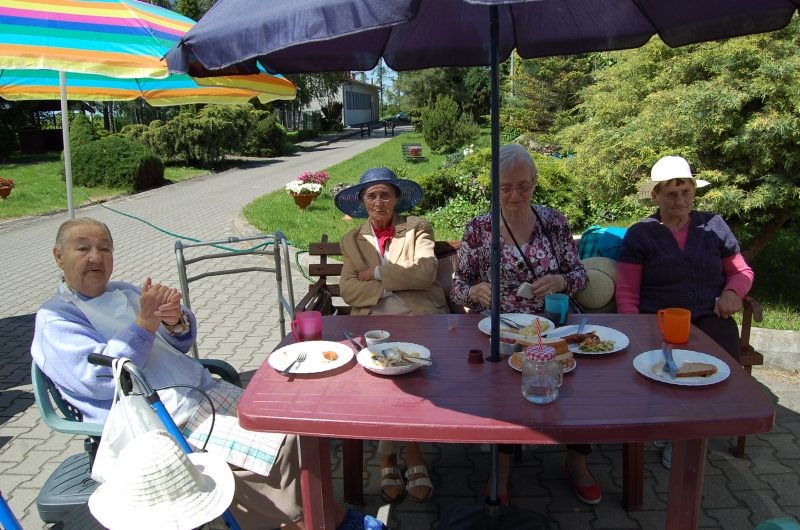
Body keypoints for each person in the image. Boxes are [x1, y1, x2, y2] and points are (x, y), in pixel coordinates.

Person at [31, 217, 385, 530]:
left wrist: (174, 319)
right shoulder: (57, 319)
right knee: (279, 448)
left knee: (291, 425)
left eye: (104, 248)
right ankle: (309, 521)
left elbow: (181, 341)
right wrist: (145, 322)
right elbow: (99, 380)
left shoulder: (123, 290)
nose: (96, 257)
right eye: (83, 248)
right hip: (156, 418)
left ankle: (320, 515)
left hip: (198, 391)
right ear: (59, 257)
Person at [450, 144, 600, 506]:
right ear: (493, 187)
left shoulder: (554, 222)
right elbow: (457, 287)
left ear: (535, 182)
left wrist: (561, 281)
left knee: (575, 381)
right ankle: (500, 466)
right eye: (505, 188)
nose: (515, 195)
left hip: (552, 322)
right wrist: (474, 291)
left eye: (523, 186)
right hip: (500, 327)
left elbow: (580, 275)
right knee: (501, 385)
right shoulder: (479, 228)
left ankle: (576, 461)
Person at [615, 155, 754, 468]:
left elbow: (741, 271)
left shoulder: (714, 226)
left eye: (686, 191)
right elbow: (627, 291)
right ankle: (671, 427)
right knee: (662, 368)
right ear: (656, 196)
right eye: (671, 193)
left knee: (719, 369)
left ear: (694, 191)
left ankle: (689, 433)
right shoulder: (640, 234)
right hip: (658, 319)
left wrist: (733, 292)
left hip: (709, 316)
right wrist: (633, 327)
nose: (680, 200)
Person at [335, 167, 447, 503]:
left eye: (385, 194)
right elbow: (348, 290)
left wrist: (377, 273)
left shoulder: (417, 228)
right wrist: (391, 285)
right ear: (362, 201)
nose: (379, 201)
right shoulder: (351, 239)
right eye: (371, 195)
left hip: (418, 315)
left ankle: (401, 456)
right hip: (372, 321)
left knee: (409, 379)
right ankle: (399, 457)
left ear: (397, 197)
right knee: (383, 381)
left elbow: (425, 273)